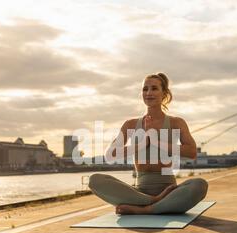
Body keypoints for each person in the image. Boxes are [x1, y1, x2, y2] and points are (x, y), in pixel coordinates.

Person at [88, 73, 208, 215]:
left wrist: (157, 141)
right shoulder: (130, 124)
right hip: (138, 192)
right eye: (145, 89)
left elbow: (191, 152)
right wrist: (142, 144)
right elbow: (111, 154)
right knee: (95, 180)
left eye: (154, 88)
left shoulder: (176, 122)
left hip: (169, 191)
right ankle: (153, 202)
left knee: (199, 185)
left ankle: (146, 209)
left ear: (164, 93)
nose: (149, 93)